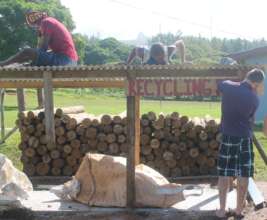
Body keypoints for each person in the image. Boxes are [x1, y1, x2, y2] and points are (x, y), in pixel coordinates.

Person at [216, 68, 265, 218]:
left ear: (247, 77)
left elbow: (219, 85)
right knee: (244, 174)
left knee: (224, 174)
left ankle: (222, 210)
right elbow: (250, 117)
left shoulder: (228, 85)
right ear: (256, 83)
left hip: (228, 137)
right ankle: (238, 211)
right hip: (244, 138)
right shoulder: (255, 99)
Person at [0, 11, 78, 67]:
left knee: (26, 51)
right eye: (31, 18)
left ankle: (2, 64)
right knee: (28, 61)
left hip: (64, 60)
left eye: (33, 15)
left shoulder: (46, 22)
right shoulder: (50, 21)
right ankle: (10, 65)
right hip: (71, 61)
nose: (34, 17)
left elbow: (43, 48)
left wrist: (31, 57)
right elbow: (43, 50)